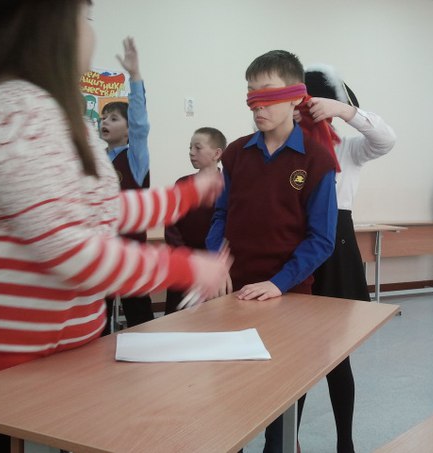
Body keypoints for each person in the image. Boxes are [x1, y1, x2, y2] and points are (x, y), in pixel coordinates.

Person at [0, 1, 230, 450]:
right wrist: (186, 267)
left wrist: (186, 196)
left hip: (56, 361)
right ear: (51, 26)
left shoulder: (54, 112)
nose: (91, 34)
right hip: (7, 374)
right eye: (86, 18)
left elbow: (102, 209)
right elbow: (69, 249)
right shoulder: (14, 109)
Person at [206, 50, 338, 453]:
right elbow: (221, 215)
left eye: (266, 93)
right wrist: (216, 259)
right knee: (229, 396)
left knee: (281, 405)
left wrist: (278, 283)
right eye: (251, 93)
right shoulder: (235, 154)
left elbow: (322, 238)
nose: (256, 104)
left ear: (295, 96)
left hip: (290, 297)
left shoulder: (317, 160)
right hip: (232, 296)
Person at [296, 64, 396, 453]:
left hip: (337, 247)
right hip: (295, 247)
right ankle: (290, 439)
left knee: (337, 356)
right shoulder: (287, 146)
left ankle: (345, 443)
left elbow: (386, 139)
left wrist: (344, 110)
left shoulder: (349, 148)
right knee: (295, 356)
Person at [98, 36, 156, 333]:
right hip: (101, 251)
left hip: (130, 252)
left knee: (139, 317)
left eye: (113, 118)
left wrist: (135, 77)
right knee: (98, 318)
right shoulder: (97, 158)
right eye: (103, 118)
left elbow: (140, 123)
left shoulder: (135, 158)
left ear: (128, 128)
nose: (105, 122)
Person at [164, 127, 226, 314]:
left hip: (214, 263)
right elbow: (171, 224)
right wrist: (186, 257)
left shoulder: (228, 185)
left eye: (198, 148)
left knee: (214, 316)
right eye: (190, 147)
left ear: (217, 153)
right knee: (178, 317)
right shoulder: (182, 183)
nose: (191, 152)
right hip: (184, 262)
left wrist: (214, 259)